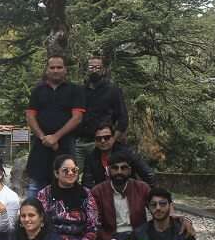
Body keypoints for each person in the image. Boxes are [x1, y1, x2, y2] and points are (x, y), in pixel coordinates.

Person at [25, 55, 85, 198]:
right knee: (36, 184)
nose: (56, 70)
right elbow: (30, 116)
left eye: (59, 67)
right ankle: (31, 215)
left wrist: (56, 137)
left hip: (65, 145)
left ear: (65, 70)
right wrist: (43, 137)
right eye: (52, 67)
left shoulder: (75, 90)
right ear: (47, 70)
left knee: (66, 181)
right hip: (41, 145)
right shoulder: (37, 91)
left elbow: (77, 118)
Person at [75, 57, 128, 172]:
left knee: (101, 176)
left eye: (98, 67)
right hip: (79, 143)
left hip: (101, 143)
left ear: (103, 70)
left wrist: (112, 140)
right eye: (91, 67)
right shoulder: (80, 90)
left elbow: (123, 118)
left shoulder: (113, 90)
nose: (94, 70)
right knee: (74, 176)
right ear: (87, 69)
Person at [82, 123, 155, 189]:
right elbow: (87, 183)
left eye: (107, 137)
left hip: (128, 195)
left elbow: (148, 174)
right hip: (103, 198)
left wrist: (149, 195)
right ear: (95, 141)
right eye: (99, 138)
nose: (103, 141)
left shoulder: (127, 153)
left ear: (113, 137)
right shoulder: (91, 157)